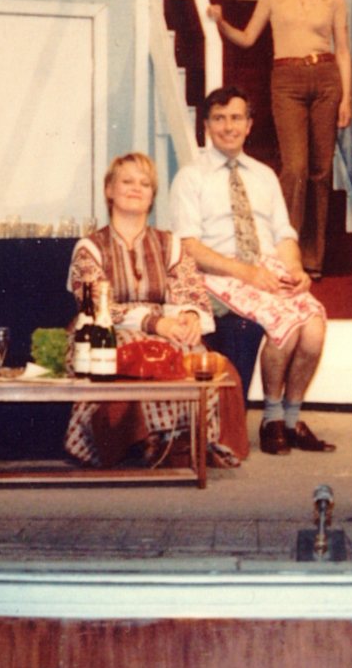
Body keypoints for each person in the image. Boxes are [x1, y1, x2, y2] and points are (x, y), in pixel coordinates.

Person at [171, 86, 336, 457]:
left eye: (236, 118)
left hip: (266, 268)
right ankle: (272, 418)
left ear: (249, 125)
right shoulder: (190, 177)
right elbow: (189, 247)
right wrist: (245, 273)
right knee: (285, 325)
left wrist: (296, 270)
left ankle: (292, 419)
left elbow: (283, 234)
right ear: (206, 125)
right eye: (219, 119)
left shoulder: (264, 176)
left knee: (313, 327)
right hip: (219, 272)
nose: (228, 126)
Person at [63, 153, 250, 468]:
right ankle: (135, 442)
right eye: (127, 181)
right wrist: (154, 323)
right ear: (109, 190)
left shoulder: (170, 243)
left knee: (197, 357)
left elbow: (190, 292)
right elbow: (95, 308)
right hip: (107, 331)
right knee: (130, 354)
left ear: (152, 195)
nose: (136, 188)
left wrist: (190, 317)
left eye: (145, 183)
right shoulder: (90, 247)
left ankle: (184, 441)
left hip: (167, 324)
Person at [208, 0, 351, 279]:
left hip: (326, 78)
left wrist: (346, 97)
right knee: (296, 167)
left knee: (321, 170)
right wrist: (221, 22)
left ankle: (312, 259)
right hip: (287, 79)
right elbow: (247, 38)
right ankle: (284, 254)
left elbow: (343, 51)